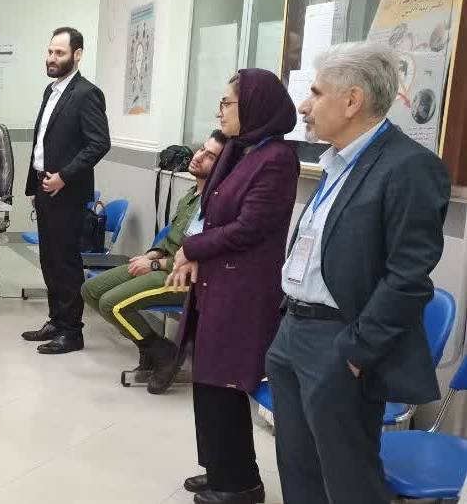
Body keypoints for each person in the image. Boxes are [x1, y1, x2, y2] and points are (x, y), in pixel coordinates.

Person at [267, 42, 450, 504]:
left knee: (348, 481)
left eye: (315, 93)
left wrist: (357, 352)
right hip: (293, 332)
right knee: (299, 470)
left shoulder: (409, 167)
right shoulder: (335, 163)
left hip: (340, 341)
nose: (304, 106)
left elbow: (409, 277)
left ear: (351, 101)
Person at [157, 68, 300, 504]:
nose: (219, 111)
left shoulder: (276, 159)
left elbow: (250, 227)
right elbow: (210, 209)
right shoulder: (239, 149)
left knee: (226, 384)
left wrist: (193, 248)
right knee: (208, 381)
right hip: (214, 282)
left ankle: (240, 484)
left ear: (253, 106)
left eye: (227, 103)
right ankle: (219, 468)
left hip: (243, 291)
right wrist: (191, 250)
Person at [79, 130, 226, 392]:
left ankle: (164, 353)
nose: (198, 156)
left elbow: (203, 256)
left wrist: (155, 265)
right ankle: (153, 349)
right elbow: (171, 235)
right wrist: (153, 254)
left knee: (111, 304)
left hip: (184, 278)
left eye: (210, 156)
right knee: (90, 289)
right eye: (202, 149)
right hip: (163, 265)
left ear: (224, 166)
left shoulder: (217, 203)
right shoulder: (192, 194)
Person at [20, 27, 111, 355]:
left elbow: (99, 143)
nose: (52, 58)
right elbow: (43, 142)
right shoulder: (52, 90)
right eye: (50, 52)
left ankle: (72, 332)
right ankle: (57, 320)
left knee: (66, 262)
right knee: (49, 259)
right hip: (45, 187)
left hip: (67, 192)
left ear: (78, 54)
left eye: (59, 53)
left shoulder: (87, 93)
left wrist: (64, 177)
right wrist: (35, 185)